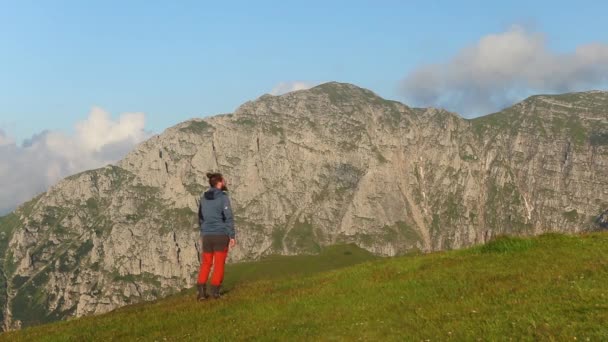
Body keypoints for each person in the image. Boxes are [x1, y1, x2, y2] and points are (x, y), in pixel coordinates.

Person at [196, 172, 236, 300]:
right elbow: (228, 217)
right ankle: (215, 292)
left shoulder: (203, 198)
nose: (225, 182)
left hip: (207, 236)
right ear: (219, 182)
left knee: (206, 263)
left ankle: (201, 293)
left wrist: (204, 231)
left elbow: (200, 217)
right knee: (218, 263)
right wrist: (232, 235)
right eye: (223, 180)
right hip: (220, 235)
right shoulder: (223, 198)